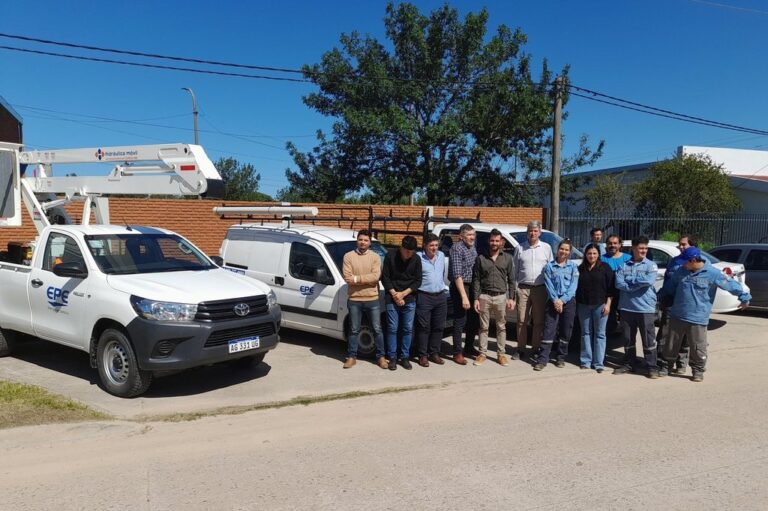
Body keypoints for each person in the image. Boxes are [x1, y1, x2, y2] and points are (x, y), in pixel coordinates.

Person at [659, 247, 751, 382]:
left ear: (694, 260)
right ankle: (666, 366)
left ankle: (697, 370)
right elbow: (669, 287)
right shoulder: (681, 271)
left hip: (698, 317)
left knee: (698, 347)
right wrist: (659, 296)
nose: (682, 264)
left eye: (685, 261)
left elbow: (731, 285)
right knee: (671, 344)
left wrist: (744, 297)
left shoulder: (713, 273)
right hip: (677, 315)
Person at [613, 236, 659, 378]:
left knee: (648, 339)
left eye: (645, 248)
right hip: (627, 308)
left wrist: (630, 283)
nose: (643, 251)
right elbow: (618, 283)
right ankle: (629, 363)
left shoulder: (651, 265)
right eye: (640, 248)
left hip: (645, 309)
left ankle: (651, 366)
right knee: (628, 339)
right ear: (633, 248)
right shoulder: (623, 266)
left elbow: (649, 280)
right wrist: (637, 283)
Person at [471, 229, 516, 366]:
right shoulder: (481, 258)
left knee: (501, 326)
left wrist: (511, 298)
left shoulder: (507, 258)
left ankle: (501, 354)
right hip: (484, 295)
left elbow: (511, 280)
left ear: (501, 242)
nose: (494, 243)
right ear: (488, 241)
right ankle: (482, 353)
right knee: (483, 327)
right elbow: (476, 279)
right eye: (492, 240)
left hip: (501, 297)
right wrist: (476, 298)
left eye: (497, 240)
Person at [342, 229, 386, 369]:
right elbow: (347, 278)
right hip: (354, 299)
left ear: (370, 242)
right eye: (360, 239)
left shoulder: (375, 257)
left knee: (377, 329)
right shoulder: (348, 256)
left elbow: (375, 277)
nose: (363, 242)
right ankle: (351, 357)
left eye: (366, 240)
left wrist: (357, 279)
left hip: (372, 298)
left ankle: (381, 357)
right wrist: (364, 280)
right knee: (354, 330)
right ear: (357, 241)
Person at [656, 234, 698, 375]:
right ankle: (662, 362)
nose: (680, 246)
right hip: (670, 302)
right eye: (679, 244)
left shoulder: (698, 263)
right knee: (665, 334)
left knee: (685, 336)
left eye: (683, 244)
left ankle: (681, 363)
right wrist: (660, 297)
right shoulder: (674, 261)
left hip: (687, 305)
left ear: (692, 246)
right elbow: (668, 282)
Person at [533, 239, 579, 370]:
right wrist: (556, 300)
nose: (563, 252)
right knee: (549, 330)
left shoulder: (573, 267)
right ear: (557, 250)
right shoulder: (549, 267)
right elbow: (549, 285)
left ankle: (560, 357)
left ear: (569, 252)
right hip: (553, 301)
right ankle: (542, 359)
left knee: (566, 330)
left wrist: (562, 300)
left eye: (566, 250)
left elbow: (573, 286)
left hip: (568, 302)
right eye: (561, 249)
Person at [381, 235, 422, 371]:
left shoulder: (416, 259)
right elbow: (385, 277)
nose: (408, 254)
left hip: (409, 297)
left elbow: (418, 281)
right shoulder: (390, 256)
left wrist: (403, 294)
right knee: (392, 328)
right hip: (391, 296)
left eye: (411, 252)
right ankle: (392, 357)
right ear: (401, 247)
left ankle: (405, 357)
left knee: (407, 329)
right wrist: (395, 295)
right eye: (406, 251)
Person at [514, 220, 553, 359]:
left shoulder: (546, 248)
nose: (533, 233)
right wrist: (515, 290)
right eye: (530, 231)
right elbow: (515, 271)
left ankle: (536, 349)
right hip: (523, 288)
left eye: (535, 231)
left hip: (540, 289)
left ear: (539, 232)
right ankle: (520, 349)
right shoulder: (520, 248)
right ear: (527, 232)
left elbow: (550, 270)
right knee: (521, 321)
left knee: (538, 321)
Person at [576, 244, 614, 373]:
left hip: (601, 305)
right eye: (589, 253)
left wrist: (608, 304)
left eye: (594, 253)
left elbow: (611, 288)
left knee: (600, 334)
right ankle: (586, 361)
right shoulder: (580, 269)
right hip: (583, 305)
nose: (591, 256)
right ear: (585, 255)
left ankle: (598, 363)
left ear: (598, 255)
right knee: (585, 333)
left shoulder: (605, 268)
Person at [415, 233, 449, 367]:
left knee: (439, 326)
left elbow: (441, 273)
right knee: (424, 327)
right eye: (431, 246)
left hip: (440, 296)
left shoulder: (441, 256)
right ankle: (423, 355)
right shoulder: (418, 258)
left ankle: (434, 353)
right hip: (424, 296)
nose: (434, 248)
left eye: (436, 245)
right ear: (425, 246)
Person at [448, 223, 478, 365]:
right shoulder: (457, 248)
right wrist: (464, 296)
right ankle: (457, 352)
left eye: (473, 235)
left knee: (473, 319)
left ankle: (469, 347)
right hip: (461, 287)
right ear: (461, 236)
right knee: (460, 320)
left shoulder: (472, 248)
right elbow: (457, 275)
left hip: (472, 286)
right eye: (469, 235)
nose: (472, 237)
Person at [600, 234, 631, 334]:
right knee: (609, 316)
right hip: (607, 293)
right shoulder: (601, 259)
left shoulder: (628, 258)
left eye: (615, 243)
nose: (612, 245)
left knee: (625, 317)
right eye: (610, 243)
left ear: (619, 245)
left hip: (624, 293)